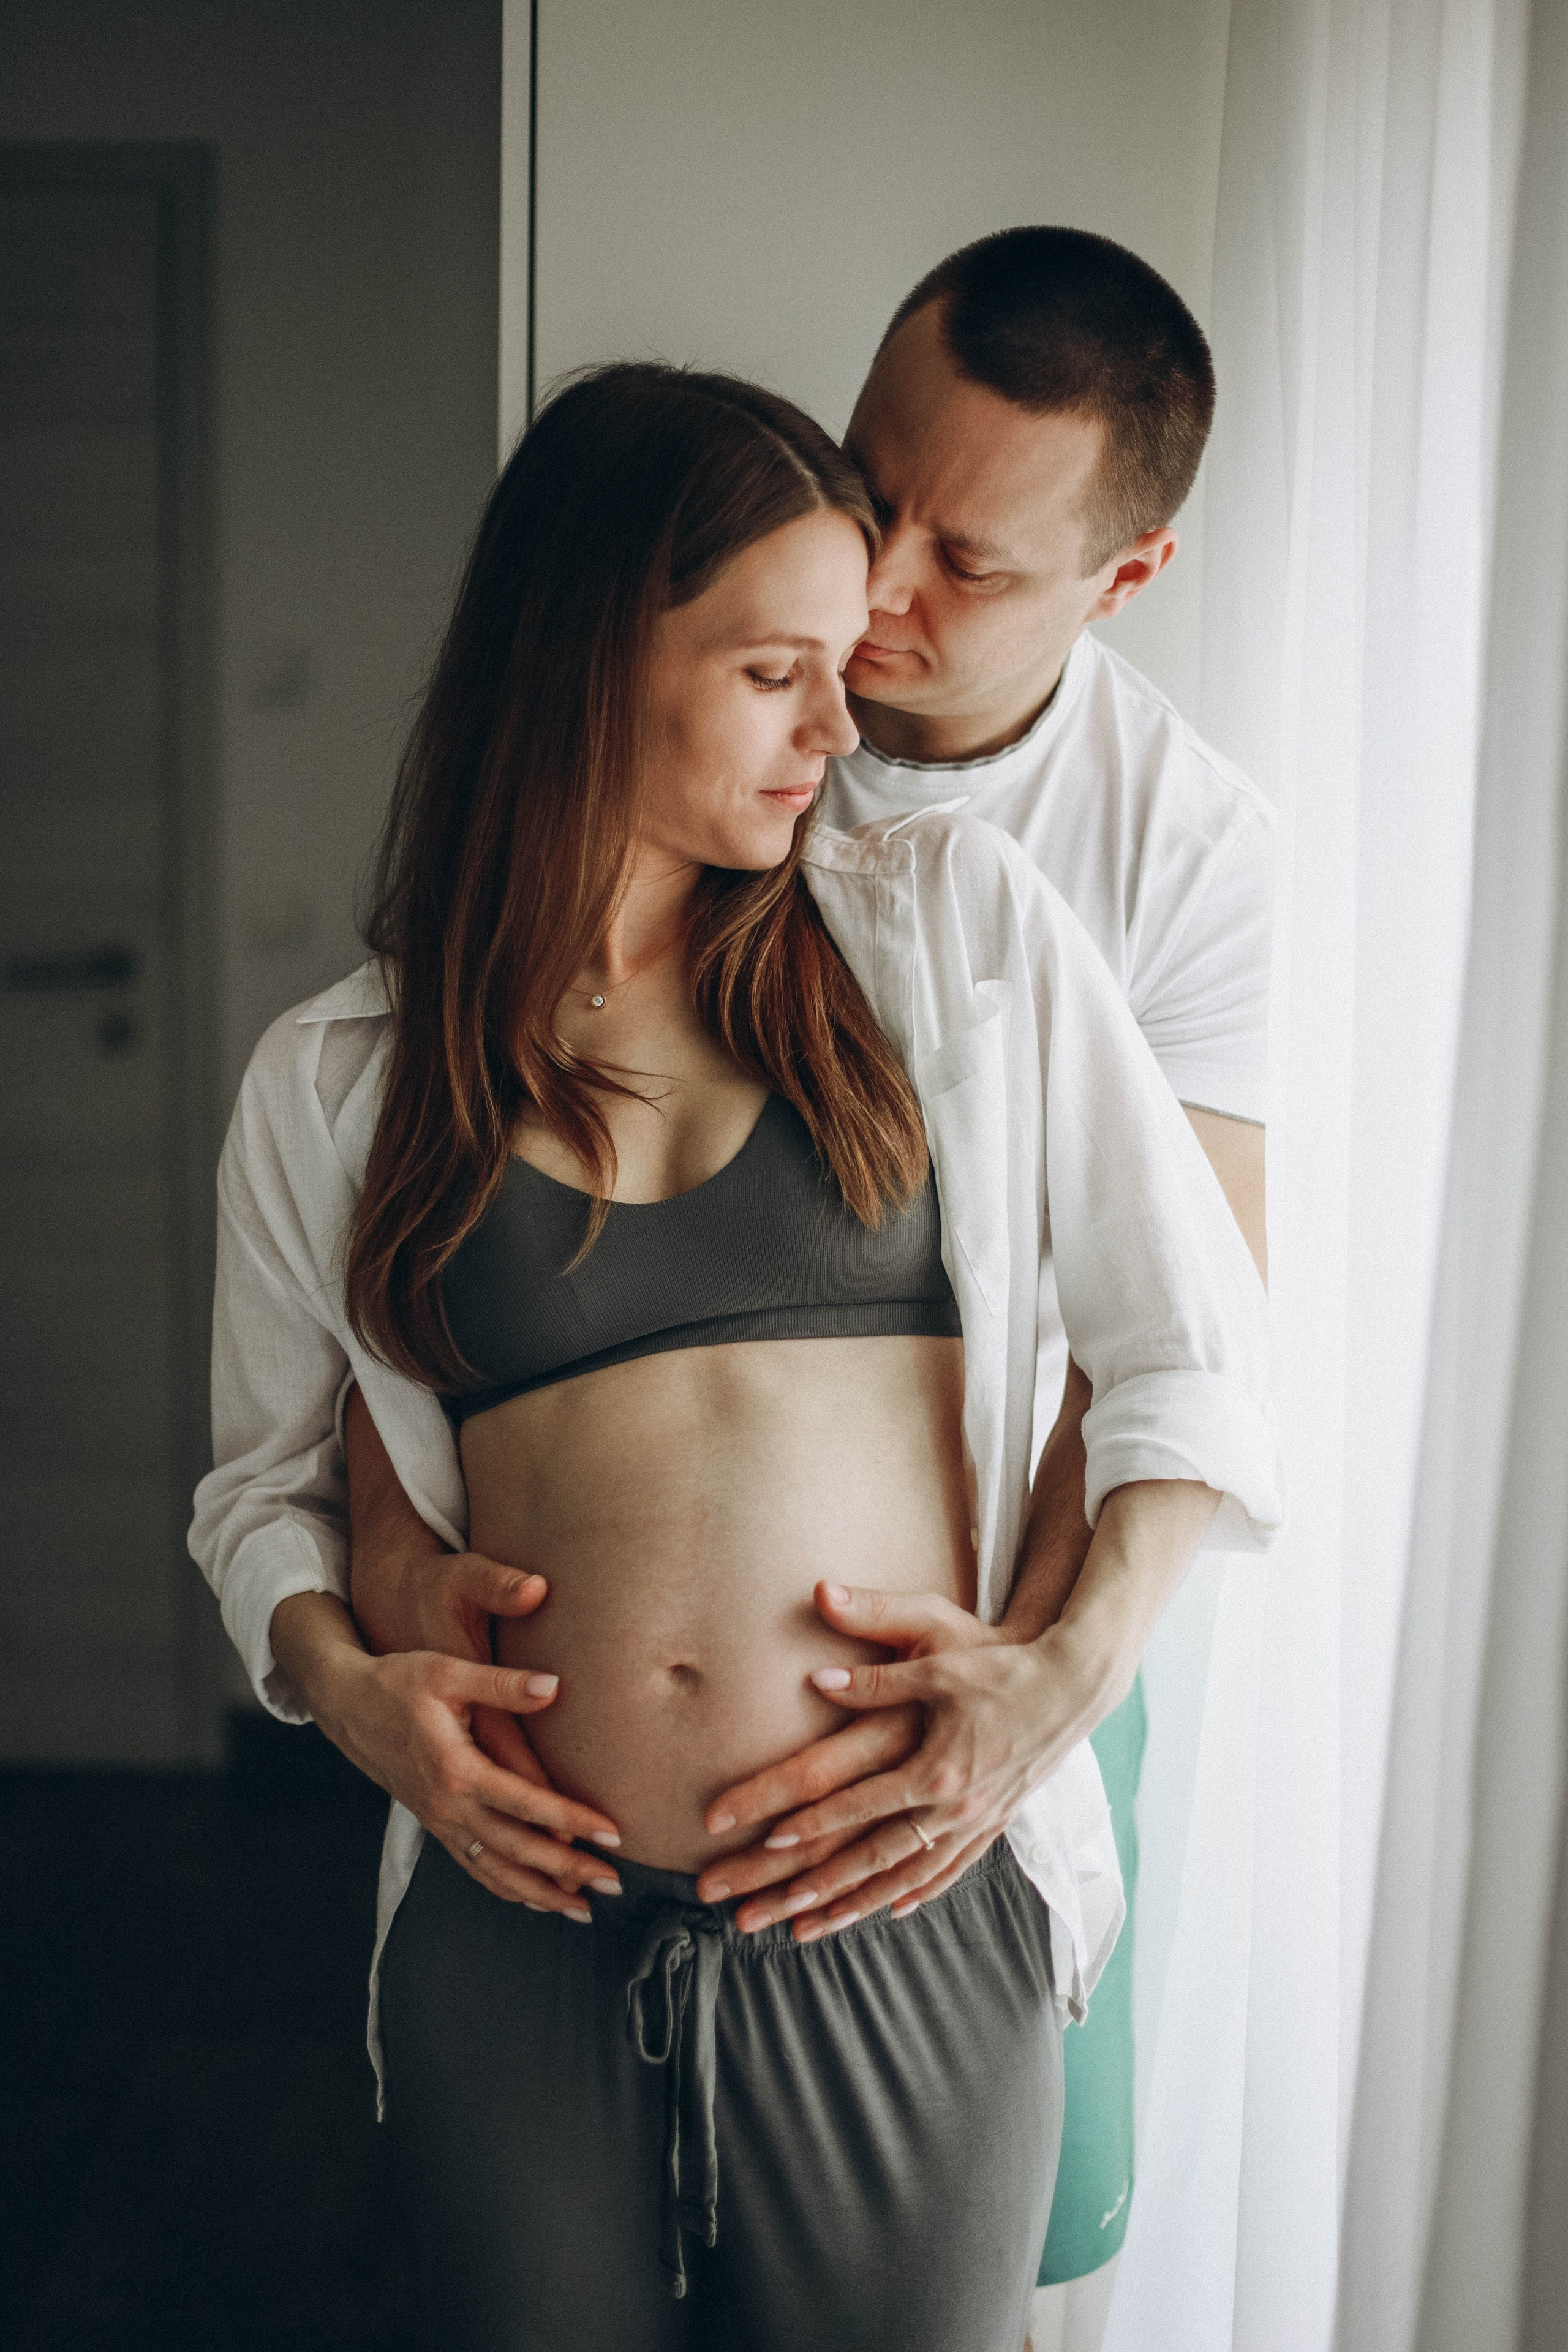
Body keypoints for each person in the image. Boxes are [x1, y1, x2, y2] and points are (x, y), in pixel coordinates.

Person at [190, 362, 1280, 2352]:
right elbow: (256, 1492)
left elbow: (1191, 1361)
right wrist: (347, 1690)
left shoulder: (948, 936)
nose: (842, 725)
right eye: (778, 670)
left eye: (838, 662)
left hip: (899, 1913)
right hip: (517, 1922)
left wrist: (1053, 1685)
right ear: (594, 650)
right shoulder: (338, 1081)